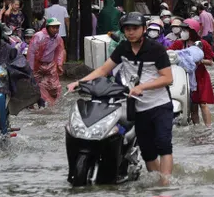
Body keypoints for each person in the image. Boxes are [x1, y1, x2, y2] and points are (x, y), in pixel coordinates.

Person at [69, 13, 175, 181]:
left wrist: (142, 86)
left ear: (144, 29)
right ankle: (156, 182)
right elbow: (103, 70)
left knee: (164, 146)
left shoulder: (156, 50)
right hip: (137, 107)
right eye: (127, 29)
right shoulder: (123, 48)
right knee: (148, 152)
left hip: (159, 105)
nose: (131, 32)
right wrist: (79, 82)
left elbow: (167, 78)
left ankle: (165, 186)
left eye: (135, 28)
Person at [171, 19, 214, 126]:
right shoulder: (178, 43)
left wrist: (200, 61)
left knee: (203, 104)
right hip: (183, 77)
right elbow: (170, 54)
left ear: (193, 31)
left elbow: (211, 62)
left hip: (200, 77)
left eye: (186, 29)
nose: (183, 32)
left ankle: (208, 129)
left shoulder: (202, 44)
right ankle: (197, 129)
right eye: (183, 29)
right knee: (193, 107)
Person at [29, 18, 66, 107]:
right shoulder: (39, 36)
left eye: (57, 27)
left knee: (54, 86)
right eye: (53, 27)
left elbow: (60, 51)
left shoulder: (58, 38)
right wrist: (30, 67)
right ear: (48, 27)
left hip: (50, 64)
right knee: (35, 85)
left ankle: (49, 103)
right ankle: (34, 103)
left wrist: (59, 64)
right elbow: (31, 52)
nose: (55, 30)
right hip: (37, 64)